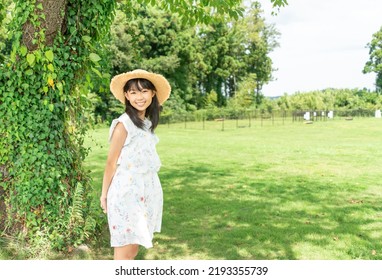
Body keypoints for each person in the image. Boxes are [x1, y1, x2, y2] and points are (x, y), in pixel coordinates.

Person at [100, 69, 171, 260]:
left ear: (153, 93)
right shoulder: (123, 124)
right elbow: (110, 163)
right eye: (133, 92)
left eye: (144, 91)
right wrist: (104, 194)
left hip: (144, 192)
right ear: (126, 95)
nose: (139, 97)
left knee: (132, 251)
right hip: (126, 193)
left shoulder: (146, 123)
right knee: (123, 253)